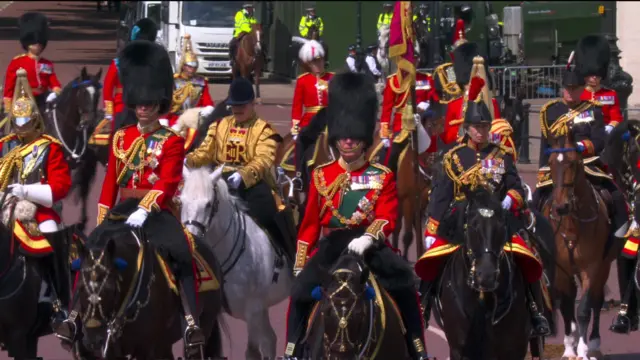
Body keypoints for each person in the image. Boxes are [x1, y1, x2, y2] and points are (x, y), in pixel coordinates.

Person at [55, 40, 206, 354]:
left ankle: (191, 321)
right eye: (139, 103)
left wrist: (147, 208)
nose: (143, 108)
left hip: (158, 210)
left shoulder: (171, 140)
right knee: (88, 255)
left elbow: (168, 181)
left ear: (158, 104)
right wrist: (102, 221)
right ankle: (72, 316)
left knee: (181, 253)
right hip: (123, 210)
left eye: (149, 104)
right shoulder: (122, 137)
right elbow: (110, 181)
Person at [284, 72, 429, 360]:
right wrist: (301, 263)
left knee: (405, 287)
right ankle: (292, 350)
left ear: (364, 139)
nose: (348, 142)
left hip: (369, 247)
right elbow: (310, 223)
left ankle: (417, 348)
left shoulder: (381, 175)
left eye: (354, 138)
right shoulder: (322, 175)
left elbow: (387, 214)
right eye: (343, 137)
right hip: (333, 247)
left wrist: (368, 237)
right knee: (300, 292)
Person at [415, 99, 551, 337]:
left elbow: (516, 187)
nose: (481, 131)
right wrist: (431, 229)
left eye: (485, 126)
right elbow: (441, 195)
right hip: (461, 221)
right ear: (466, 128)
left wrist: (510, 197)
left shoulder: (502, 155)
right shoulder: (452, 156)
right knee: (434, 259)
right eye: (476, 127)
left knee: (526, 256)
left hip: (497, 221)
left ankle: (534, 310)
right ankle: (424, 305)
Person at [185, 77, 296, 263]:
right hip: (220, 179)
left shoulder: (264, 130)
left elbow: (263, 159)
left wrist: (243, 175)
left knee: (268, 213)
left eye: (242, 105)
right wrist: (189, 160)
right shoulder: (219, 125)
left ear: (253, 103)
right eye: (233, 105)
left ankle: (284, 256)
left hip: (253, 183)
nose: (237, 109)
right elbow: (205, 152)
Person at [0, 67, 72, 331]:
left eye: (26, 123)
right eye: (17, 123)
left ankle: (56, 300)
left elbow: (61, 186)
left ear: (34, 120)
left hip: (38, 209)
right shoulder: (5, 145)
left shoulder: (50, 147)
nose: (21, 129)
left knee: (50, 233)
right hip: (3, 205)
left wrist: (26, 192)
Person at [531, 68, 630, 252]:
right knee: (535, 201)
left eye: (574, 88)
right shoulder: (549, 111)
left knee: (615, 196)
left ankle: (618, 242)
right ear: (562, 89)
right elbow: (546, 146)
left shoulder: (593, 110)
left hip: (587, 164)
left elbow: (599, 141)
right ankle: (536, 243)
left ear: (581, 89)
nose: (570, 92)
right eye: (567, 88)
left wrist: (583, 147)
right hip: (558, 167)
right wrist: (543, 171)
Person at [89, 17, 158, 146]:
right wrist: (109, 111)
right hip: (122, 106)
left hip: (145, 107)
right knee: (116, 138)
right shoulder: (118, 63)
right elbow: (108, 88)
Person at [160, 33, 214, 151]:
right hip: (175, 118)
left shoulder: (201, 82)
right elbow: (167, 104)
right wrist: (164, 120)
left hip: (194, 119)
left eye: (194, 67)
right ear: (183, 66)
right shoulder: (174, 81)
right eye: (190, 66)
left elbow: (208, 102)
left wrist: (207, 110)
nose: (192, 69)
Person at [441, 42, 502, 146]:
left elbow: (497, 131)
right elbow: (448, 137)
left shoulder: (491, 103)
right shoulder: (454, 105)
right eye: (468, 84)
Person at [378, 69, 438, 172]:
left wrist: (427, 103)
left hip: (422, 119)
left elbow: (434, 97)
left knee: (435, 147)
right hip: (401, 123)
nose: (415, 61)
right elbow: (386, 109)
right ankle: (389, 178)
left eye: (416, 58)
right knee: (392, 153)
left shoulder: (426, 78)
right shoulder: (394, 80)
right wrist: (384, 134)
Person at [4, 13, 61, 120]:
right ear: (27, 44)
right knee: (22, 123)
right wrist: (8, 103)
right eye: (34, 43)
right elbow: (9, 84)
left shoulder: (47, 63)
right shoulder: (18, 62)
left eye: (39, 44)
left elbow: (54, 82)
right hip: (23, 99)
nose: (37, 46)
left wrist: (55, 92)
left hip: (43, 98)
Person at [575, 35, 623, 134]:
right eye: (591, 75)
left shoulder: (610, 94)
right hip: (582, 133)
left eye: (597, 75)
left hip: (604, 135)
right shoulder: (578, 94)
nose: (594, 77)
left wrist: (610, 126)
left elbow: (616, 117)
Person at [229, 3, 258, 68]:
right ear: (246, 8)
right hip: (240, 33)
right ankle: (232, 59)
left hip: (250, 34)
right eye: (250, 8)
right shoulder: (239, 14)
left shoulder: (251, 17)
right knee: (231, 44)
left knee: (260, 43)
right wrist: (251, 30)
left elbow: (255, 24)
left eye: (252, 8)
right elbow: (243, 25)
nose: (251, 10)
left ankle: (264, 58)